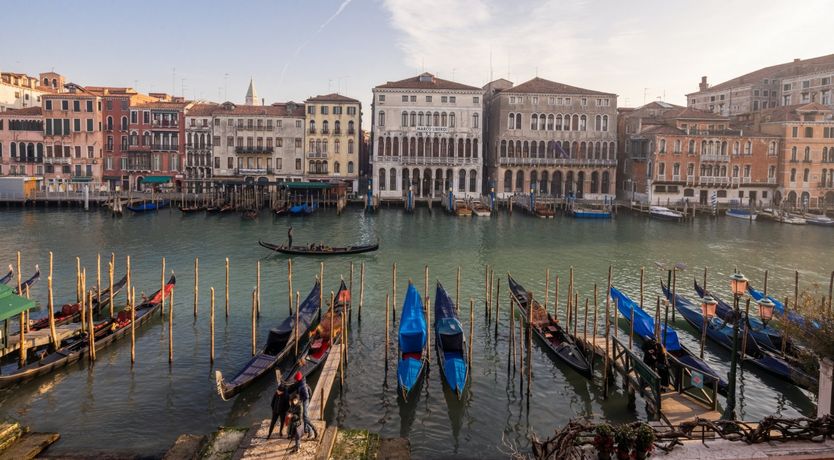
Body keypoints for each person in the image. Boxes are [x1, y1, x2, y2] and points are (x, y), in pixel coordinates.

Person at [294, 371, 317, 439]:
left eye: (295, 379)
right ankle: (306, 429)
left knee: (305, 417)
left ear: (298, 379)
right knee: (304, 417)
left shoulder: (303, 386)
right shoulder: (301, 383)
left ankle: (311, 431)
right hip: (304, 402)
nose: (295, 380)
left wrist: (300, 399)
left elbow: (306, 396)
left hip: (305, 402)